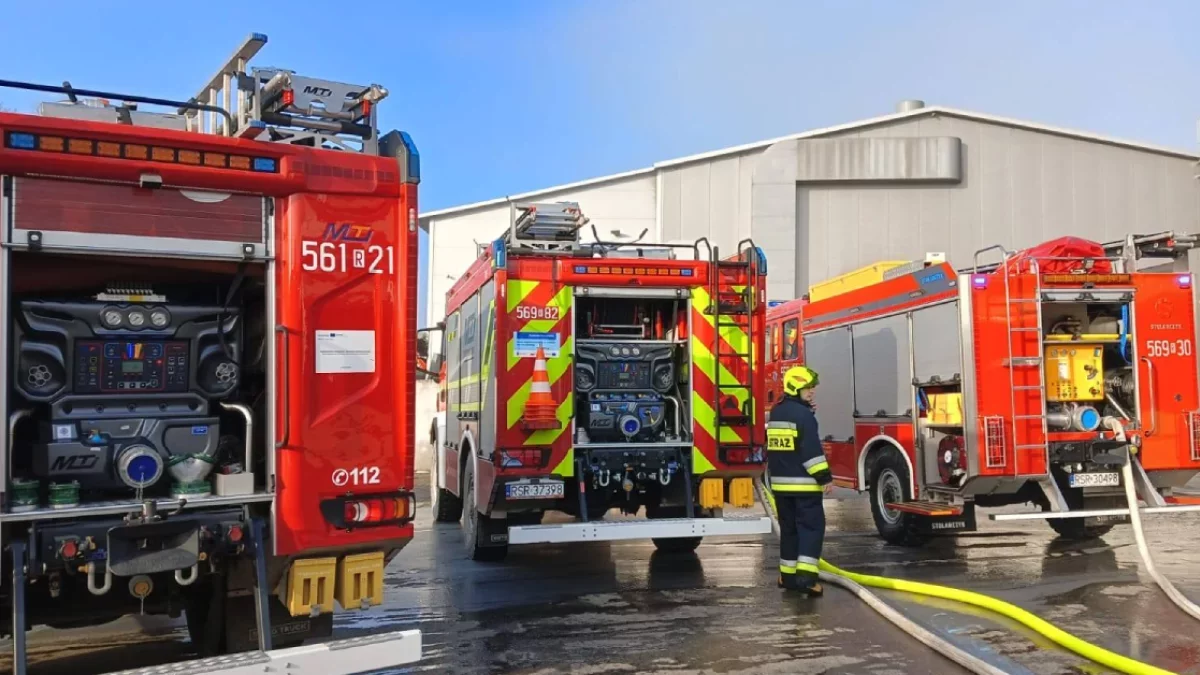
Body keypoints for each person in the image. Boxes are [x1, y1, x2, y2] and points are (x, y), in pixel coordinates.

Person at [767, 365, 832, 597]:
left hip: (781, 488)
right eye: (808, 388)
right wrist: (824, 477)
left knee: (790, 531)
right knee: (811, 530)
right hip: (804, 486)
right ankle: (806, 580)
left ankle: (788, 576)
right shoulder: (804, 416)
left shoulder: (776, 413)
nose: (812, 391)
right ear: (795, 387)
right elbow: (811, 452)